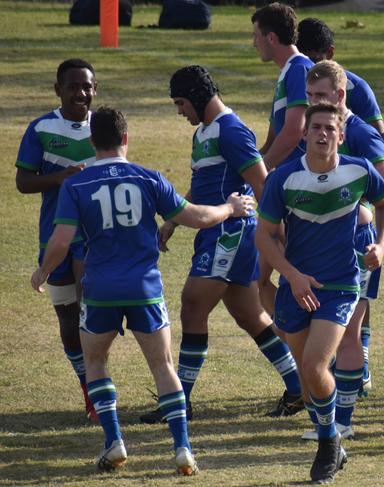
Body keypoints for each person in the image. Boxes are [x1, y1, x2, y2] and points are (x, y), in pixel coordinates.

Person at [31, 106, 255, 472]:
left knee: (96, 362)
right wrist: (231, 209)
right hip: (145, 288)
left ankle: (114, 442)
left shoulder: (77, 184)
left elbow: (61, 240)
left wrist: (44, 270)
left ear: (92, 142)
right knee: (163, 366)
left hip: (101, 288)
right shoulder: (149, 179)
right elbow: (197, 217)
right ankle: (182, 448)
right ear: (126, 138)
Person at [139, 65, 303, 423]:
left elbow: (262, 185)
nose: (180, 111)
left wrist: (279, 237)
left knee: (193, 304)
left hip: (231, 233)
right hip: (216, 231)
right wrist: (171, 221)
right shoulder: (204, 133)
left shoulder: (231, 130)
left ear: (197, 97)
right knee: (250, 315)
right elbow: (202, 186)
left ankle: (179, 401)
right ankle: (297, 386)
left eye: (181, 103)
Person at [255, 103, 384, 483]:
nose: (322, 134)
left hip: (341, 285)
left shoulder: (358, 170)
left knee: (316, 365)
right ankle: (333, 438)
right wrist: (292, 276)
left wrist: (380, 245)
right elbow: (263, 236)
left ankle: (329, 442)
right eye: (315, 127)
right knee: (306, 376)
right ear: (303, 134)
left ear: (341, 134)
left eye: (330, 128)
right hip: (296, 286)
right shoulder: (283, 179)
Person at [299, 60, 384, 440]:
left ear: (340, 96)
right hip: (318, 243)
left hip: (356, 244)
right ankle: (331, 410)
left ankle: (344, 421)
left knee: (350, 331)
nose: (314, 102)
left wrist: (358, 209)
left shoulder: (359, 131)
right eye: (309, 96)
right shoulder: (314, 128)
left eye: (321, 95)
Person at [16, 58, 99, 422]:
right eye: (74, 87)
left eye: (88, 86)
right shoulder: (40, 129)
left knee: (89, 312)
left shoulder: (106, 128)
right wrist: (61, 177)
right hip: (54, 235)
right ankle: (88, 389)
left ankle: (99, 392)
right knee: (66, 315)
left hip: (91, 236)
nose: (82, 93)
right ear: (58, 90)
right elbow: (23, 182)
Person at [251, 2, 314, 316]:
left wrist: (262, 172)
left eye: (257, 36)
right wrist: (253, 163)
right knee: (258, 280)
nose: (254, 43)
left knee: (282, 276)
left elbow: (294, 131)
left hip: (299, 189)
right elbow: (275, 137)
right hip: (284, 185)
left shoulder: (300, 68)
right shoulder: (287, 73)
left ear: (271, 38)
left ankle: (313, 349)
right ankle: (299, 351)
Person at [297, 17, 384, 144]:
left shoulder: (356, 88)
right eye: (301, 63)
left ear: (330, 53)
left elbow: (378, 140)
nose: (308, 70)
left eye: (313, 61)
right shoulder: (292, 84)